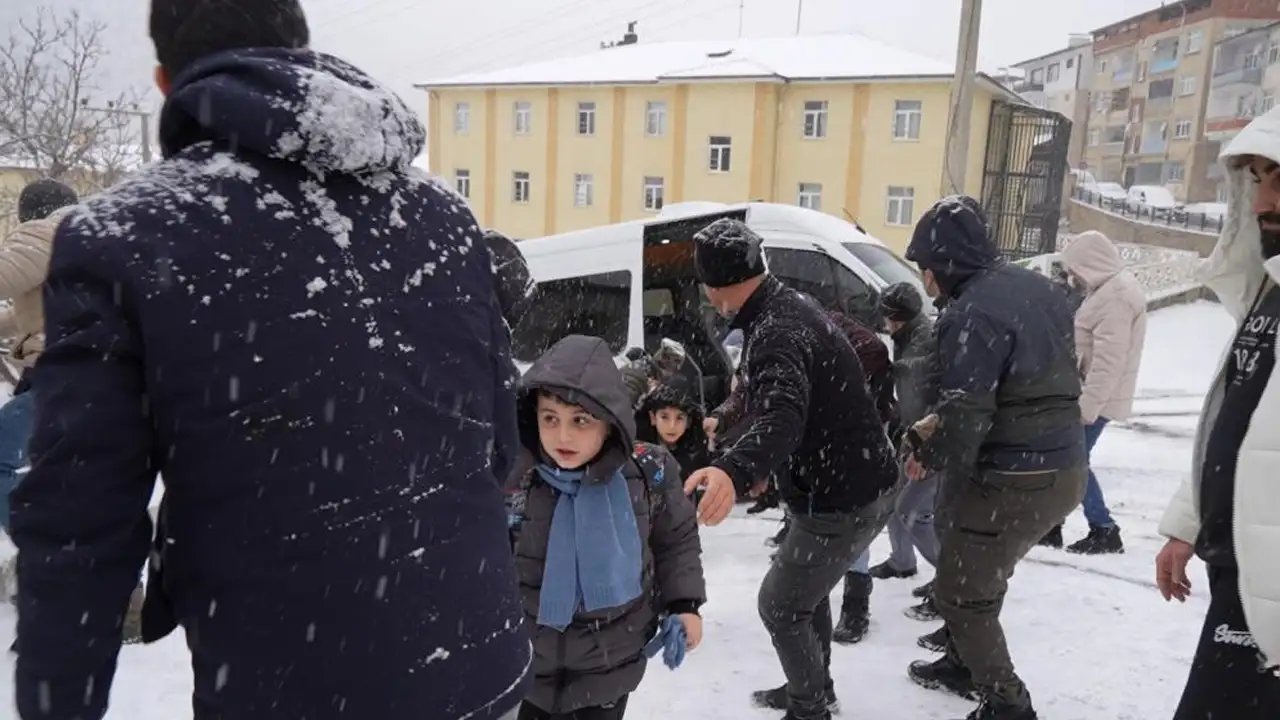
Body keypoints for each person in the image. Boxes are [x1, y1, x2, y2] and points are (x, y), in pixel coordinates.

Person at [8, 2, 531, 718]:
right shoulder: (441, 215)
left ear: (165, 78)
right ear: (300, 51)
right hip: (480, 668)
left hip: (292, 686)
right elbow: (500, 443)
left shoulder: (122, 238)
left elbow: (79, 530)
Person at [683, 218, 899, 720]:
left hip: (844, 494)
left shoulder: (776, 327)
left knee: (780, 605)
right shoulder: (785, 307)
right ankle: (814, 687)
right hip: (846, 482)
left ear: (716, 288)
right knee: (807, 594)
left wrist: (732, 470)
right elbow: (774, 400)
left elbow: (783, 415)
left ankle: (810, 709)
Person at [901, 196, 1086, 720]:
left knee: (961, 592)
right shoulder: (1037, 289)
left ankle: (1008, 705)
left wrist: (926, 451)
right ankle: (963, 661)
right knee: (972, 559)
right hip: (1059, 463)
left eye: (927, 267)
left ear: (947, 263)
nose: (925, 280)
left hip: (1016, 472)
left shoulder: (972, 313)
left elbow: (965, 414)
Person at [507, 334, 706, 720]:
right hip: (527, 662)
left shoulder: (647, 473)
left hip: (609, 663)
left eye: (581, 420)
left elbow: (675, 541)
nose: (563, 436)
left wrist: (684, 604)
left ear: (610, 423)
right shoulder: (517, 477)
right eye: (550, 418)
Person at [1155, 109, 1280, 720]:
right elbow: (1240, 421)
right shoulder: (1269, 291)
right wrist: (1189, 521)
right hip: (1242, 574)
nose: (1262, 202)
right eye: (1256, 179)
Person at [0, 180, 78, 600]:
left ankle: (47, 553)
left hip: (62, 376)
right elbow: (32, 310)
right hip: (109, 377)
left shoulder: (45, 231)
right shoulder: (91, 237)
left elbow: (5, 275)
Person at [1047, 230, 1147, 556]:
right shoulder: (1106, 290)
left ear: (1091, 262)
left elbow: (1108, 362)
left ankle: (1104, 529)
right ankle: (1053, 525)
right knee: (1069, 459)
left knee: (1074, 462)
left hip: (1096, 398)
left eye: (1076, 267)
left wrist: (1086, 408)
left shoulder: (1115, 297)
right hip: (1089, 393)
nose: (1073, 275)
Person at [866, 283, 943, 621]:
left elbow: (921, 373)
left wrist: (925, 448)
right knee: (895, 499)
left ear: (899, 317)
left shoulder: (924, 338)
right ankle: (902, 562)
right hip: (913, 432)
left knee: (913, 512)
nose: (885, 323)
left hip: (933, 439)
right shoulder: (906, 335)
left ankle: (952, 583)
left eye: (888, 316)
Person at [637, 383, 711, 482]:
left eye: (679, 418)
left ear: (688, 422)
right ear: (653, 418)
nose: (672, 426)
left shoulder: (697, 455)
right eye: (664, 417)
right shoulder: (638, 453)